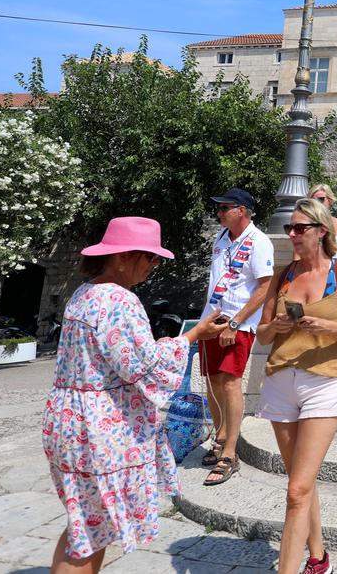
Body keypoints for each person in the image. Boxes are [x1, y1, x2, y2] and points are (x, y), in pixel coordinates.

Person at [42, 216, 224, 573]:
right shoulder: (120, 301)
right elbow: (147, 367)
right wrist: (191, 336)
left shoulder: (84, 293)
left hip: (68, 416)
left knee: (82, 524)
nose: (154, 265)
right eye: (150, 257)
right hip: (99, 426)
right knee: (91, 533)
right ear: (124, 256)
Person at [256, 198, 337, 574]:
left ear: (321, 231)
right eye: (290, 228)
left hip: (325, 380)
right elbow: (260, 335)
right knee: (299, 484)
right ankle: (319, 558)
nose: (292, 234)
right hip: (280, 379)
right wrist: (276, 327)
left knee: (295, 491)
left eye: (300, 228)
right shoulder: (283, 275)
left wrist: (329, 327)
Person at [200, 188, 275, 486]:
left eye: (224, 208)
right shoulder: (221, 238)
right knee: (212, 380)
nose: (219, 213)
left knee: (230, 382)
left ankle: (230, 452)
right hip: (212, 319)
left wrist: (236, 321)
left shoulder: (259, 241)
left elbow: (264, 287)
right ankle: (219, 437)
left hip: (237, 324)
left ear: (241, 210)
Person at [309, 183, 337, 264]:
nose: (317, 203)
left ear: (330, 200)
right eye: (313, 200)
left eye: (321, 199)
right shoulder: (308, 224)